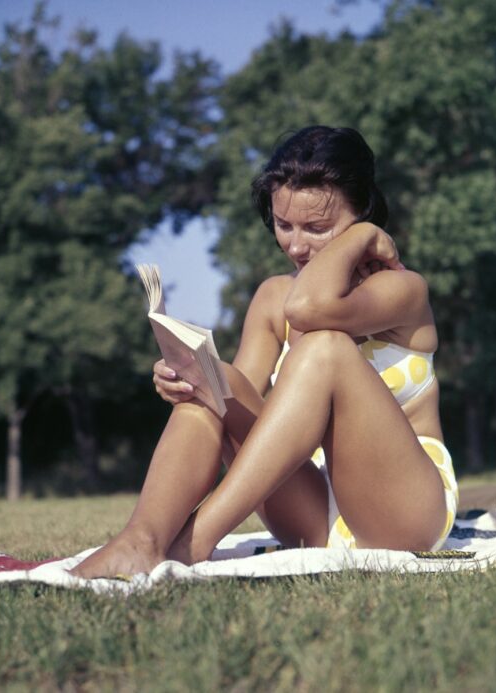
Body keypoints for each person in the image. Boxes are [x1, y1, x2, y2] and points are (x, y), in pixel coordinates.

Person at [71, 126, 458, 578]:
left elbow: (310, 308)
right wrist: (184, 377)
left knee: (324, 349)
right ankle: (142, 541)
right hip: (310, 514)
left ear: (364, 212)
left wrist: (361, 237)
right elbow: (234, 400)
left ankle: (190, 545)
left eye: (318, 228)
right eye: (283, 224)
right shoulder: (273, 298)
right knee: (214, 378)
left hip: (404, 513)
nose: (295, 245)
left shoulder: (400, 289)